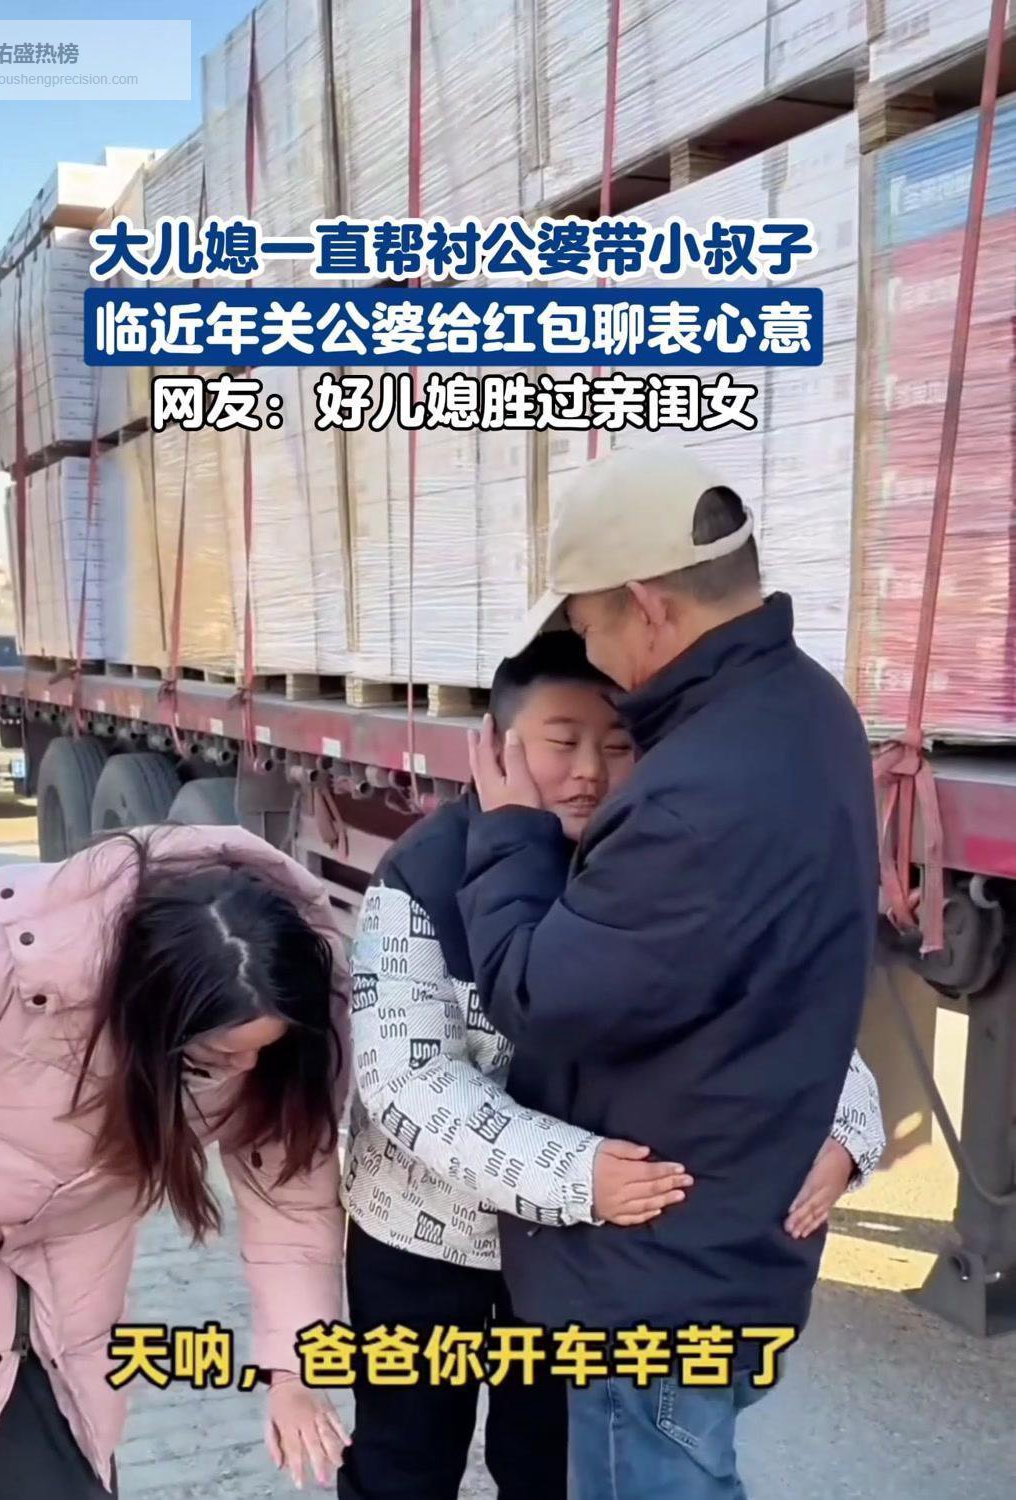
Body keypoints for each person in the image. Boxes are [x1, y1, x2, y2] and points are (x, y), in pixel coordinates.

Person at [342, 631, 884, 1500]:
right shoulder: (422, 875)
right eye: (561, 742)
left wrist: (847, 1128)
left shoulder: (652, 865)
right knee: (402, 1464)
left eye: (618, 744)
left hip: (576, 1260)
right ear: (494, 748)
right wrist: (574, 1174)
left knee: (548, 1468)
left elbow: (769, 1012)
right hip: (426, 1238)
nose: (589, 771)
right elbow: (405, 1082)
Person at [460, 442, 882, 1499]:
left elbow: (539, 996)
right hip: (729, 1230)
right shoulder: (808, 709)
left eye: (589, 626)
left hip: (660, 1274)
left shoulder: (697, 794)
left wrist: (509, 833)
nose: (594, 657)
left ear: (648, 605)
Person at [0, 824, 352, 1500]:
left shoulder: (277, 1063)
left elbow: (293, 1212)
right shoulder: (14, 952)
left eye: (267, 1049)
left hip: (62, 1283)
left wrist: (292, 1373)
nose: (247, 1069)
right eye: (217, 1056)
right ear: (151, 1012)